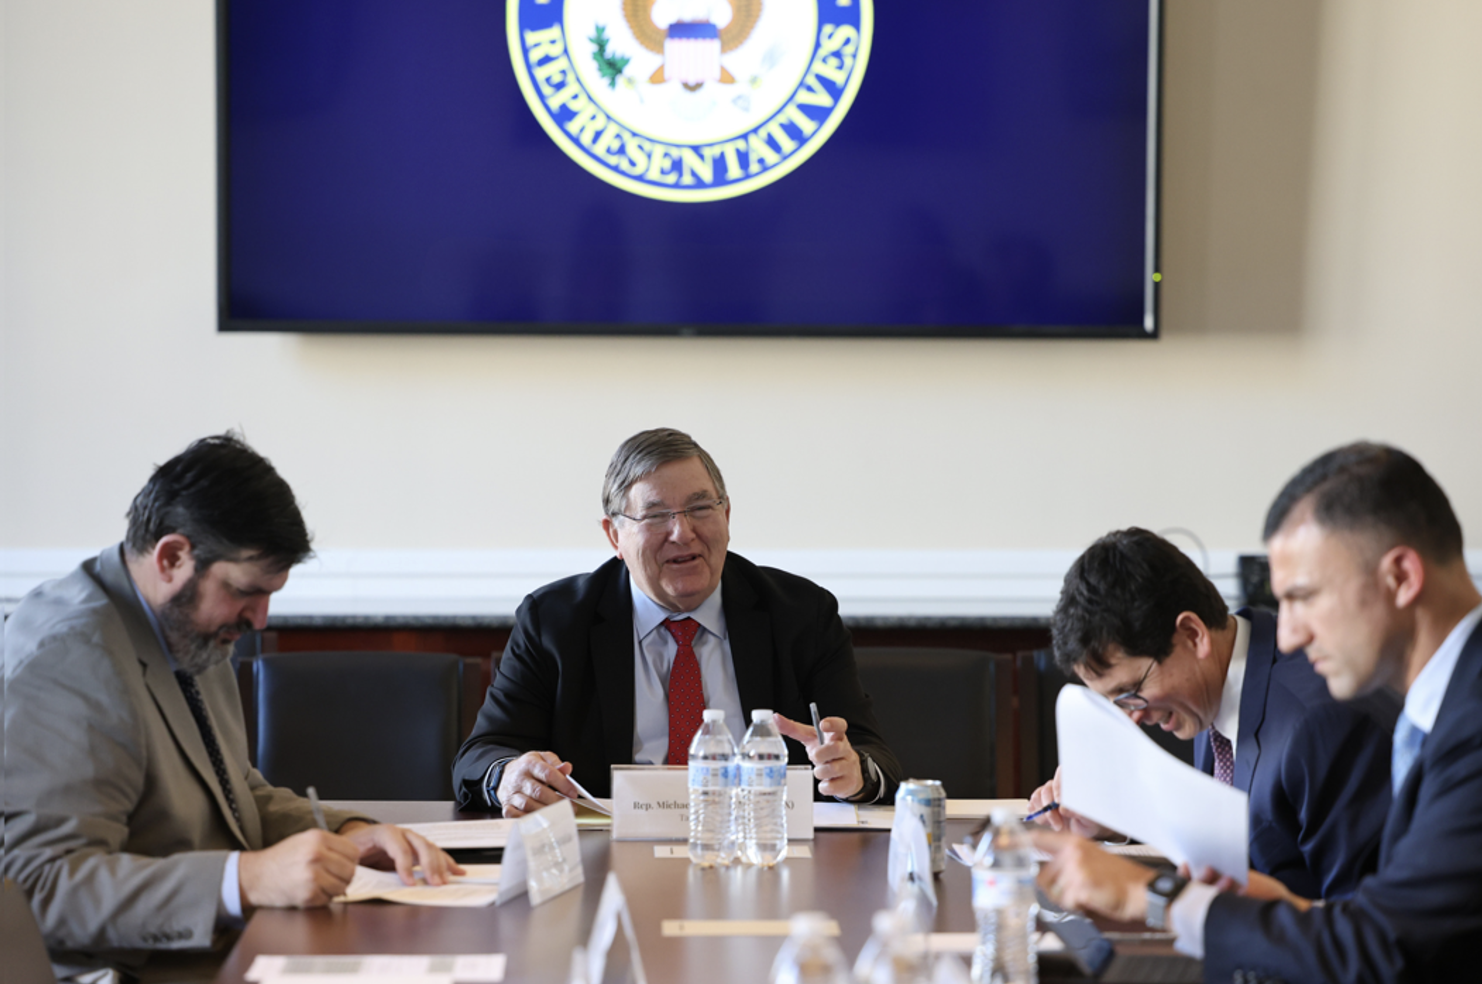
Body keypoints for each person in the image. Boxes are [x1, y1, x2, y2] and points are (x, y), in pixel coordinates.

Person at [3, 434, 459, 983]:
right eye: (246, 591)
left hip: (224, 945)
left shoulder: (190, 625)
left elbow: (234, 793)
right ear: (173, 557)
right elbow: (45, 889)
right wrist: (244, 879)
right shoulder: (69, 656)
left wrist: (351, 833)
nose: (260, 620)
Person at [1033, 443, 1482, 982]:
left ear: (1401, 577)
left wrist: (1151, 894)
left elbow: (1380, 951)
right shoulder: (1450, 702)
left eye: (1305, 596)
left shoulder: (1443, 723)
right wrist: (1279, 904)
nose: (1287, 634)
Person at [453, 427, 902, 816]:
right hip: (607, 854)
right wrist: (510, 776)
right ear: (614, 536)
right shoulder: (554, 622)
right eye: (655, 516)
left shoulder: (800, 614)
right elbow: (483, 754)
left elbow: (872, 757)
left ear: (727, 516)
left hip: (760, 846)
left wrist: (852, 773)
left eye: (700, 508)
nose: (683, 533)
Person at [1027, 528, 1398, 899]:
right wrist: (1113, 821)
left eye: (1131, 691)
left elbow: (1359, 918)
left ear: (1192, 634)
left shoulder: (1318, 725)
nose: (1132, 716)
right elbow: (1222, 841)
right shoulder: (1211, 686)